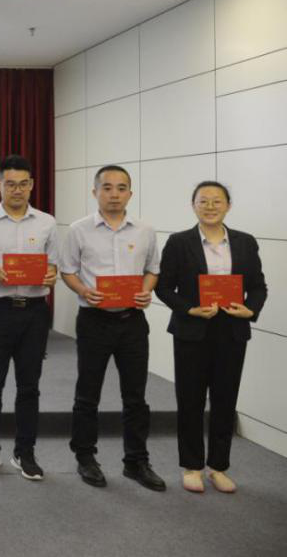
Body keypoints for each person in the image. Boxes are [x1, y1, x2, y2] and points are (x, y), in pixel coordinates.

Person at [155, 181, 267, 494]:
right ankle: (192, 466)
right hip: (192, 330)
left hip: (232, 331)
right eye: (203, 201)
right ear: (193, 205)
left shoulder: (245, 242)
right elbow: (163, 287)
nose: (210, 206)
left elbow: (258, 286)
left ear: (228, 205)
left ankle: (218, 467)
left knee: (225, 399)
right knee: (190, 399)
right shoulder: (179, 242)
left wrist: (251, 309)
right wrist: (189, 309)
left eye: (217, 201)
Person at [60, 165, 166, 491]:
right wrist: (82, 290)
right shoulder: (78, 230)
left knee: (136, 396)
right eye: (107, 188)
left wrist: (146, 291)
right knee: (87, 394)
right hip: (94, 320)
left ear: (130, 194)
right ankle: (85, 458)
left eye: (121, 188)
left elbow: (153, 269)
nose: (114, 194)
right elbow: (67, 270)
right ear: (95, 192)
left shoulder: (145, 230)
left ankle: (136, 461)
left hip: (132, 321)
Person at [0, 155, 58, 480]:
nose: (17, 190)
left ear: (31, 185)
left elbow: (54, 264)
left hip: (34, 312)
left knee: (29, 386)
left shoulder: (47, 223)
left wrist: (50, 274)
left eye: (23, 184)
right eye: (10, 184)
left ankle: (25, 452)